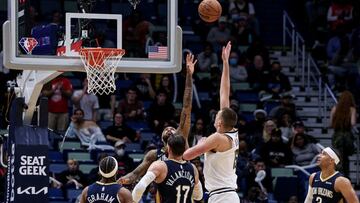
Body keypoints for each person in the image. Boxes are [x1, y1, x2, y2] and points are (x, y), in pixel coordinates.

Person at [118, 53, 197, 185]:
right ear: (161, 138)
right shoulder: (154, 155)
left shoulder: (181, 139)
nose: (170, 129)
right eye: (167, 129)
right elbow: (135, 174)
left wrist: (189, 75)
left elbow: (187, 106)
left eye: (172, 128)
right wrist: (118, 183)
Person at [183, 42, 240, 203]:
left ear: (220, 123)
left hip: (223, 196)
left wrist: (202, 142)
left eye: (217, 116)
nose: (215, 116)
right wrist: (225, 63)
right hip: (225, 195)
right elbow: (224, 93)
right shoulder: (231, 132)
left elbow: (187, 155)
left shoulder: (217, 138)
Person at [132, 134, 203, 203]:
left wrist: (133, 201)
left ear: (168, 148)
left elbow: (140, 187)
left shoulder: (160, 166)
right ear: (184, 149)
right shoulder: (192, 168)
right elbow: (199, 196)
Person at [330, 90, 357, 177]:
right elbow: (353, 123)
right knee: (345, 158)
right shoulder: (352, 109)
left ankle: (337, 176)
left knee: (338, 157)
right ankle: (346, 177)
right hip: (347, 135)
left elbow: (330, 123)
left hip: (337, 135)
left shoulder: (335, 108)